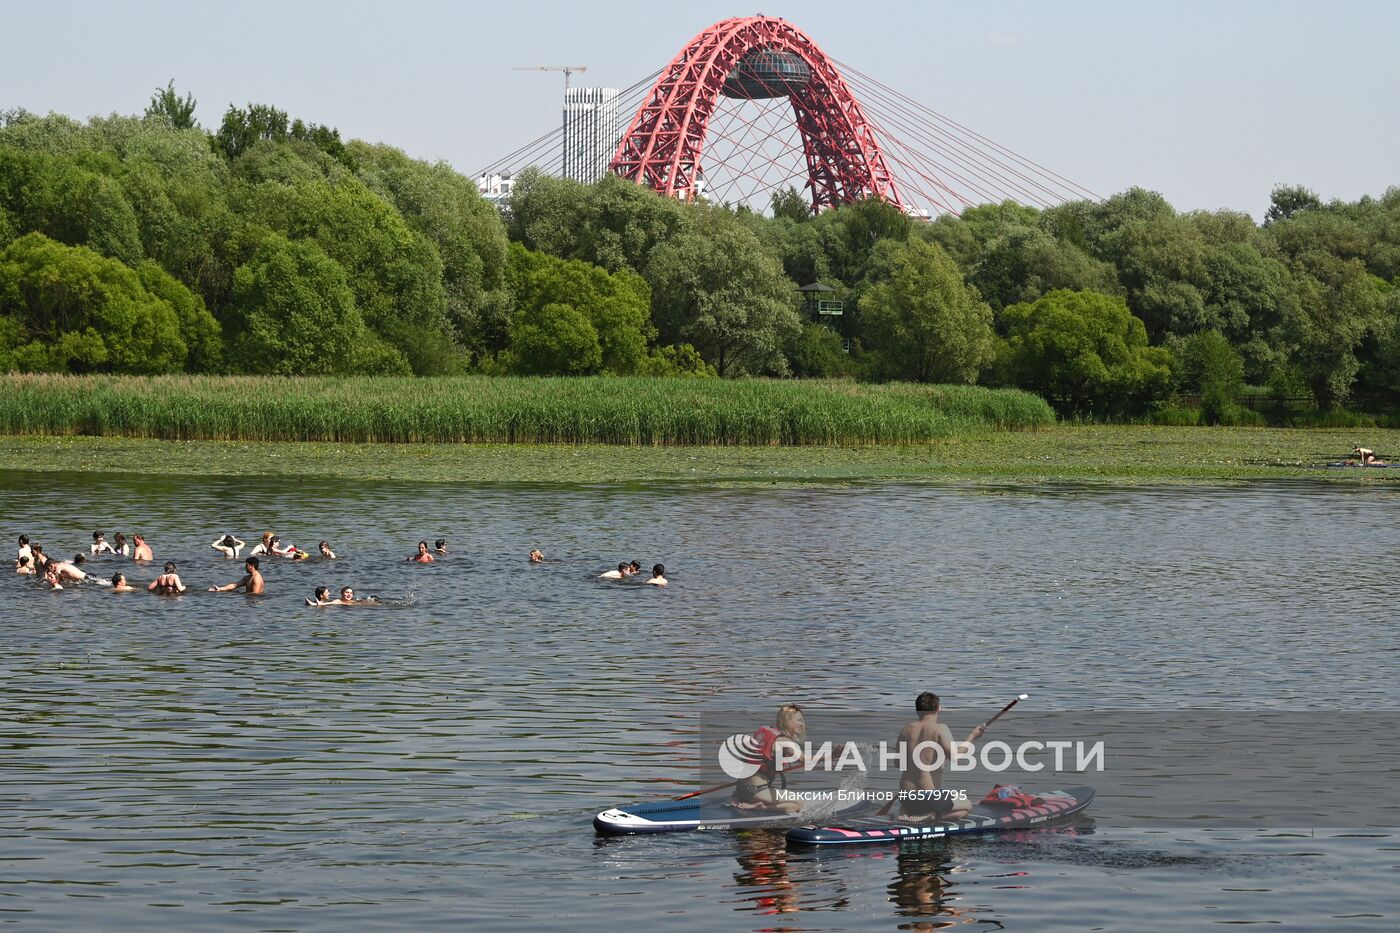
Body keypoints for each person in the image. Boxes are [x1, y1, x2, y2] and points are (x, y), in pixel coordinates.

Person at [893, 692, 986, 823]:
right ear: (938, 709)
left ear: (917, 710)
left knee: (949, 797)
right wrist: (972, 736)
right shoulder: (940, 728)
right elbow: (956, 757)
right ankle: (928, 816)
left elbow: (898, 763)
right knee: (966, 806)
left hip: (906, 797)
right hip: (928, 798)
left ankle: (906, 810)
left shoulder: (905, 730)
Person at [731, 704, 829, 814]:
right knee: (798, 804)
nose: (801, 724)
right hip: (756, 791)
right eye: (798, 720)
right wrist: (833, 755)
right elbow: (805, 760)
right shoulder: (784, 742)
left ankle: (741, 797)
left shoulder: (764, 730)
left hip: (741, 787)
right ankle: (757, 807)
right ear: (787, 720)